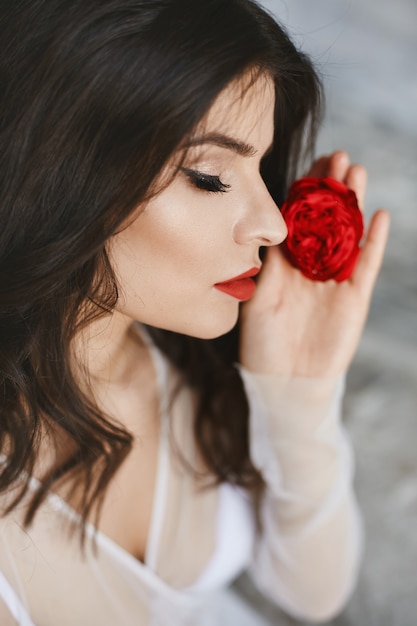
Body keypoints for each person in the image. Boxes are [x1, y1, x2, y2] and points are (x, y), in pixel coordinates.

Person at [0, 0, 390, 624]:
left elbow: (314, 595)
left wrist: (299, 395)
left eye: (261, 168)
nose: (271, 223)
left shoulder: (187, 358)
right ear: (63, 170)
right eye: (210, 177)